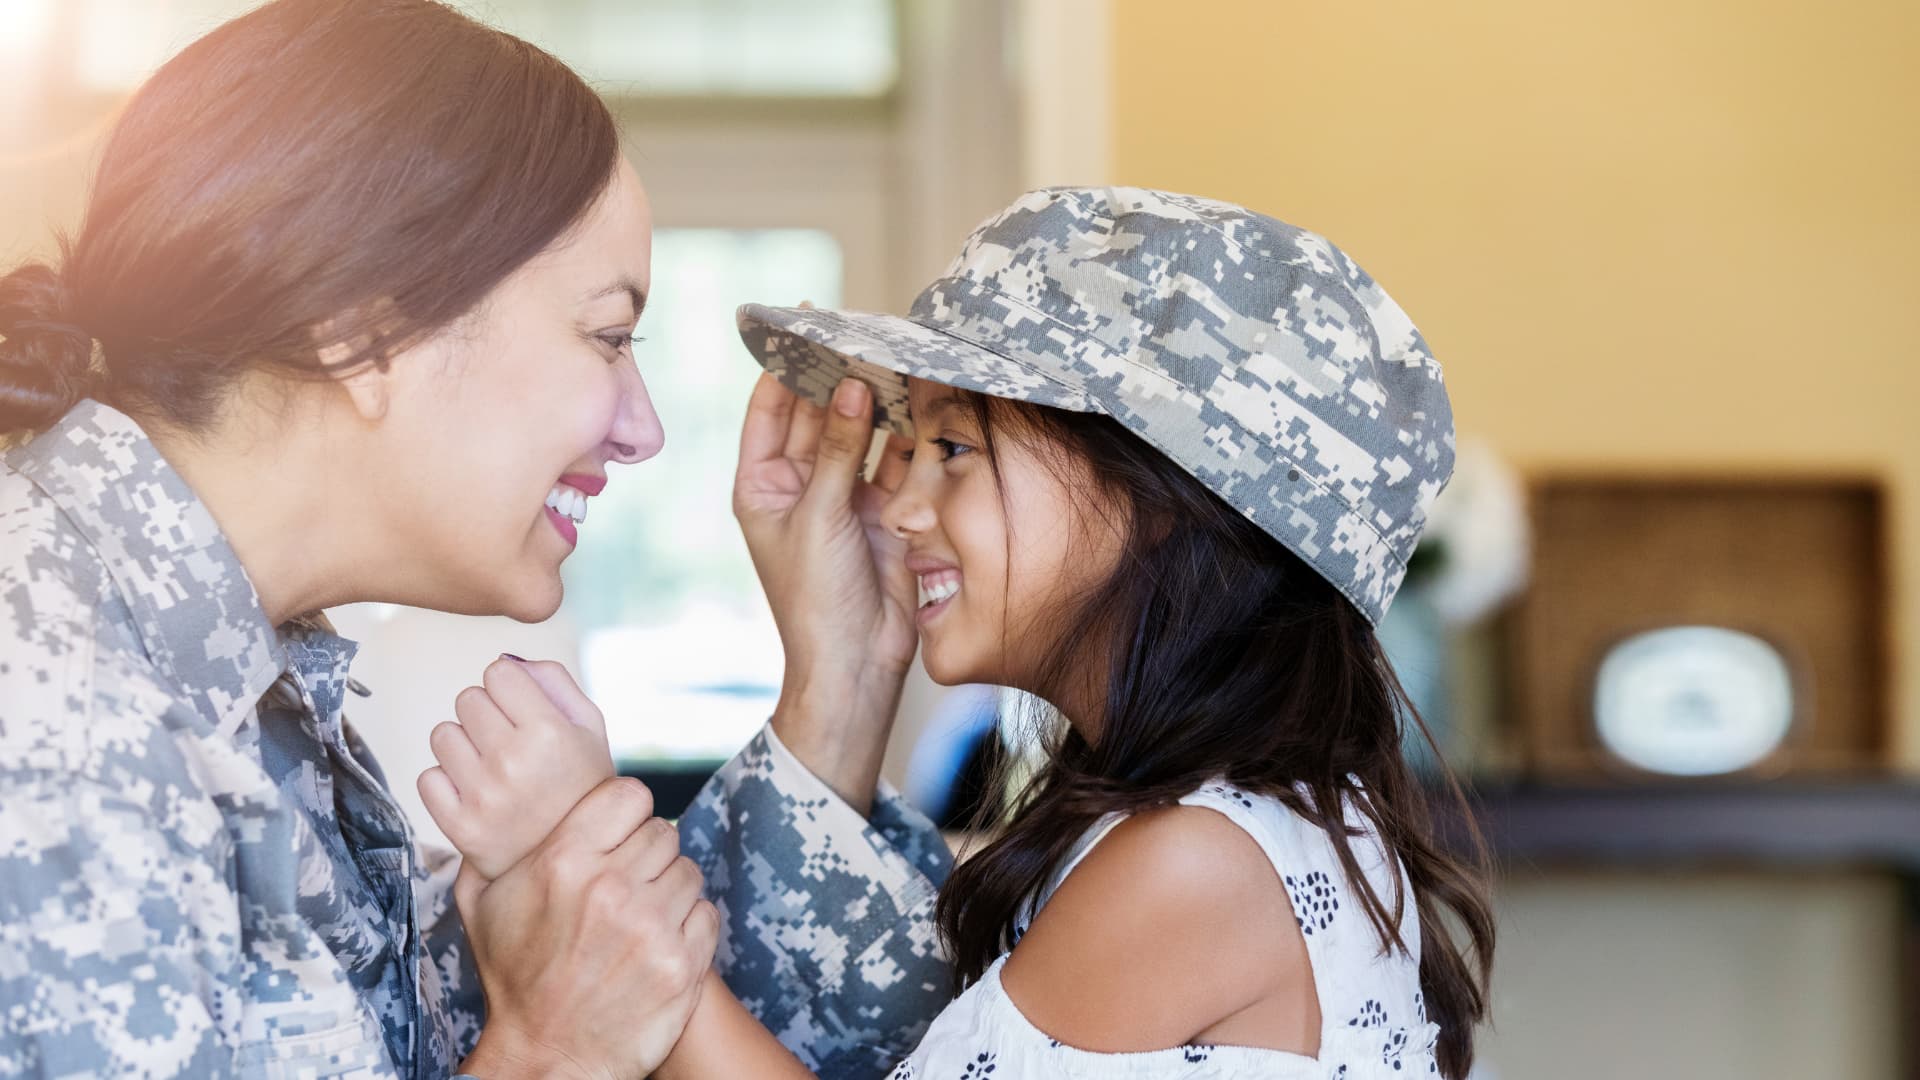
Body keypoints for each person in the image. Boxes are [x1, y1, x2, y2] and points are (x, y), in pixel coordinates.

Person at [0, 2, 949, 1076]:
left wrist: (838, 683)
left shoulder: (244, 693)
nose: (643, 430)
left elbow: (645, 994)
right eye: (605, 337)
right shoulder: (52, 708)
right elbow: (574, 1024)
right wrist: (546, 1056)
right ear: (365, 330)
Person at [422, 187, 1497, 1079]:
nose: (897, 505)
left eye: (955, 450)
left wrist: (594, 874)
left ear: (1163, 494)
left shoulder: (1194, 863)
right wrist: (841, 658)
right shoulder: (1230, 823)